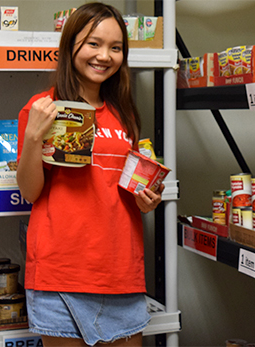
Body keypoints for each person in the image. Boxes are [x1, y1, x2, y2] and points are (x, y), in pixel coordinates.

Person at [16, 3, 163, 346]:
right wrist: (34, 137)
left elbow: (124, 187)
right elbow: (31, 192)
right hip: (61, 272)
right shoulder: (43, 108)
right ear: (71, 46)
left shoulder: (122, 113)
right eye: (93, 44)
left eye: (116, 47)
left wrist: (146, 198)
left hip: (120, 272)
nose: (104, 56)